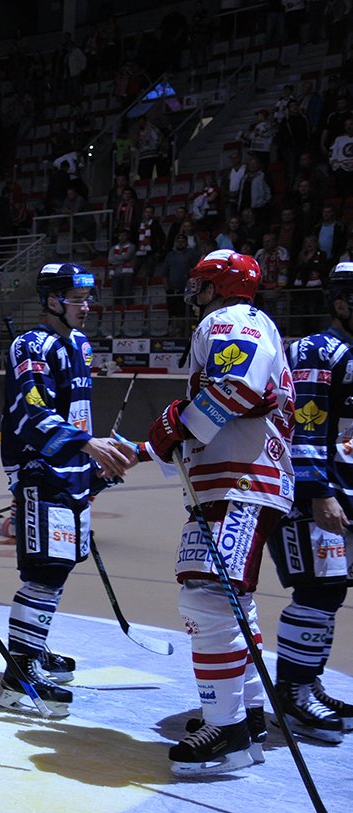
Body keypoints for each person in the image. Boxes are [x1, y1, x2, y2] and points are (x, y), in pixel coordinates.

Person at [143, 250, 295, 775]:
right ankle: (245, 717)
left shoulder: (230, 319)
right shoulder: (247, 321)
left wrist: (180, 423)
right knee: (232, 603)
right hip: (241, 478)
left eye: (201, 283)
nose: (195, 293)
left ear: (220, 286)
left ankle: (226, 731)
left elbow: (238, 387)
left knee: (206, 597)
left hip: (241, 480)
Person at [0, 263, 136, 717]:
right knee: (45, 571)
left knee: (59, 568)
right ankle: (19, 672)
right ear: (52, 300)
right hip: (40, 471)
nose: (86, 306)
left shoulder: (79, 345)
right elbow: (32, 413)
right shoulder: (30, 345)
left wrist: (95, 464)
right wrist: (88, 444)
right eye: (77, 299)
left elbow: (77, 413)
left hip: (73, 470)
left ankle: (33, 647)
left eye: (87, 298)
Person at [262, 260, 353, 743]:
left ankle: (308, 683)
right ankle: (292, 693)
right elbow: (307, 426)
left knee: (331, 593)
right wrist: (318, 492)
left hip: (340, 491)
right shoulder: (319, 350)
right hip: (309, 495)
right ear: (341, 303)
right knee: (317, 591)